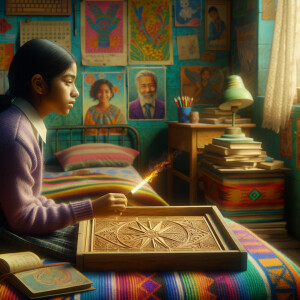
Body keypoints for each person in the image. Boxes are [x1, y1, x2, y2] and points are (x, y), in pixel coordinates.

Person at [0, 39, 127, 261]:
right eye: (68, 82)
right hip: (7, 233)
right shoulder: (16, 136)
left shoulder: (23, 123)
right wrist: (90, 209)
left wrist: (77, 212)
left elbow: (31, 199)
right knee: (94, 249)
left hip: (12, 222)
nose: (76, 92)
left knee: (87, 234)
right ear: (39, 84)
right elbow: (22, 218)